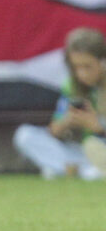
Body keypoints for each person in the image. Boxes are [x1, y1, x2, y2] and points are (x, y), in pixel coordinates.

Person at [13, 27, 106, 180]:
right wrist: (67, 121)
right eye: (76, 67)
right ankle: (80, 169)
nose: (81, 74)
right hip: (85, 153)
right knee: (24, 135)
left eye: (87, 66)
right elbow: (54, 132)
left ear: (102, 61)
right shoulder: (71, 86)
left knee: (94, 144)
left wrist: (97, 127)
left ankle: (69, 169)